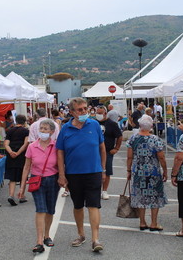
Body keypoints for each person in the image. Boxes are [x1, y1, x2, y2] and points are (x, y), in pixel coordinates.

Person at [56, 97, 106, 253]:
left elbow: (102, 149)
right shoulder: (65, 129)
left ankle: (95, 239)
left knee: (93, 204)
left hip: (93, 172)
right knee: (77, 205)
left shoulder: (95, 125)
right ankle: (81, 234)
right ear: (71, 112)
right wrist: (62, 175)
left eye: (85, 108)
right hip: (74, 174)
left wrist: (103, 170)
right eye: (80, 109)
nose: (84, 111)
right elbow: (60, 153)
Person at [18, 119, 60, 253]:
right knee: (40, 209)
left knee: (50, 210)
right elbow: (26, 167)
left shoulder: (56, 146)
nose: (43, 131)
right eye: (41, 128)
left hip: (53, 180)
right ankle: (39, 241)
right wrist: (22, 187)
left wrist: (65, 181)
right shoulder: (32, 146)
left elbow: (61, 165)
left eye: (46, 129)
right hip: (37, 181)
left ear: (52, 132)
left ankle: (47, 235)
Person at [127, 114, 168, 231]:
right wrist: (165, 171)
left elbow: (129, 157)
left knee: (140, 194)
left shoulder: (133, 138)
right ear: (151, 126)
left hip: (138, 171)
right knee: (155, 195)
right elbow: (161, 157)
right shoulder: (155, 139)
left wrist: (129, 170)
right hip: (153, 172)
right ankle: (154, 223)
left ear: (140, 125)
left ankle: (142, 222)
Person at [96, 105, 123, 200]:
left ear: (105, 113)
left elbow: (119, 136)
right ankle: (96, 190)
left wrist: (116, 148)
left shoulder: (112, 124)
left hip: (107, 151)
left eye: (100, 113)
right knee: (95, 172)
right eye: (97, 113)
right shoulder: (93, 123)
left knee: (106, 171)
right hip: (94, 152)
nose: (98, 115)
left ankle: (104, 191)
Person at [4, 114, 29, 206]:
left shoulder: (10, 131)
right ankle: (21, 195)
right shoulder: (26, 131)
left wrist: (11, 152)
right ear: (24, 122)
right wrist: (18, 153)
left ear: (16, 121)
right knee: (23, 177)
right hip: (21, 156)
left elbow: (6, 144)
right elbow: (26, 143)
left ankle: (11, 195)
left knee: (12, 177)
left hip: (11, 156)